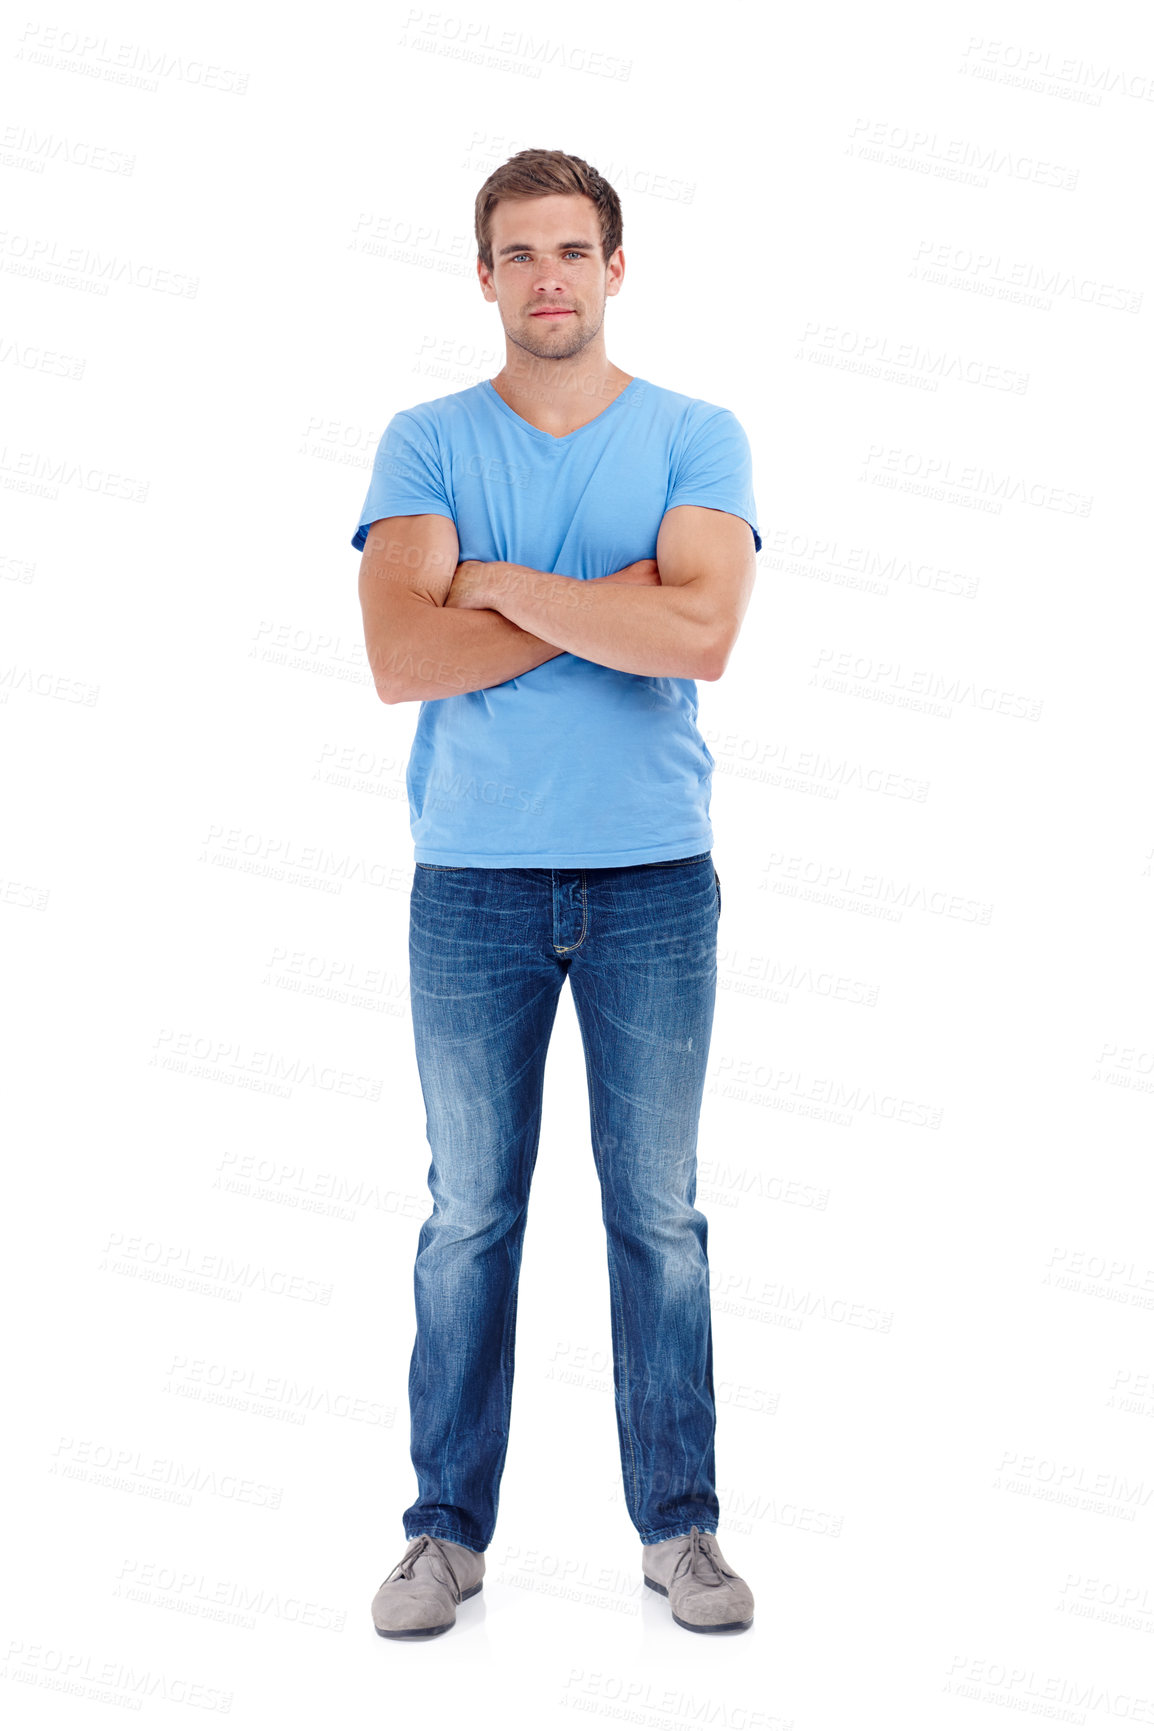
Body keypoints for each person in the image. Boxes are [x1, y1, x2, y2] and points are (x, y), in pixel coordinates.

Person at [352, 149, 761, 1640]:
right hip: (471, 880)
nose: (546, 277)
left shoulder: (695, 436)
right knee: (469, 1216)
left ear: (613, 269)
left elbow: (703, 634)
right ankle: (442, 1535)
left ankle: (681, 1530)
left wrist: (500, 585)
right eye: (518, 253)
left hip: (654, 877)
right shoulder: (426, 442)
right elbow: (402, 661)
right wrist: (612, 606)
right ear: (483, 277)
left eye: (571, 251)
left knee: (658, 1217)